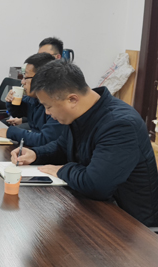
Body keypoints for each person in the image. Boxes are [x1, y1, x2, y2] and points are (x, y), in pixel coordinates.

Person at [11, 61, 158, 227]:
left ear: (72, 99)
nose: (47, 113)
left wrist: (62, 170)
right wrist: (36, 154)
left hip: (131, 226)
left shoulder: (121, 125)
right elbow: (61, 147)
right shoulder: (79, 113)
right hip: (93, 209)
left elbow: (96, 185)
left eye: (48, 106)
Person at [0, 53, 66, 145]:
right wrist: (12, 101)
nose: (22, 82)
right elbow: (17, 113)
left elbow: (44, 139)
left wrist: (9, 132)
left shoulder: (57, 105)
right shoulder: (33, 99)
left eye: (26, 77)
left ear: (41, 79)